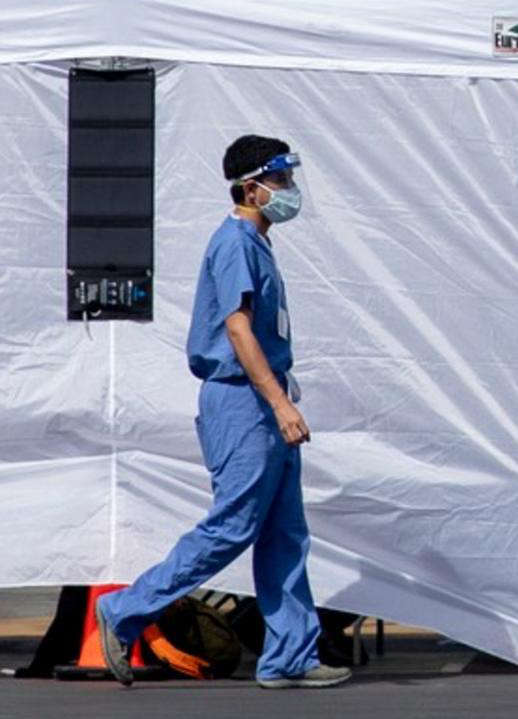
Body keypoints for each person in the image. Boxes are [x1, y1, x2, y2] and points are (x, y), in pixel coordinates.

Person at [98, 136, 340, 689]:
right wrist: (277, 403)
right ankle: (127, 609)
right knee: (233, 526)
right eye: (279, 180)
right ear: (251, 187)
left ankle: (290, 657)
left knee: (284, 533)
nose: (289, 191)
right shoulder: (234, 244)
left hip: (262, 396)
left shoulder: (257, 244)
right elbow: (237, 328)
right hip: (243, 401)